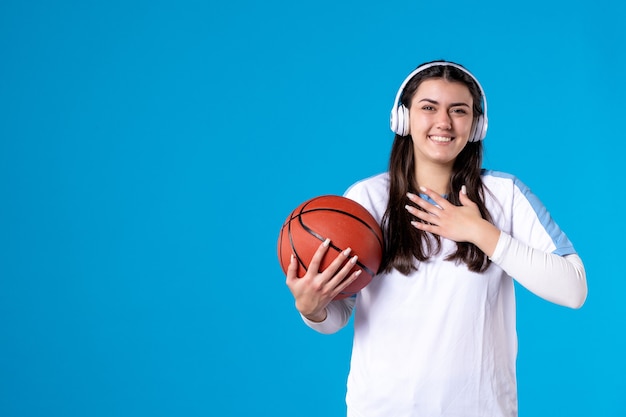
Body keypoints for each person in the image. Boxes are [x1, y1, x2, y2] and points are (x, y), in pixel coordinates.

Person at [285, 60, 587, 417]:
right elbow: (340, 314)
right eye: (428, 107)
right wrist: (312, 309)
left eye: (458, 111)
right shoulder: (365, 200)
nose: (443, 122)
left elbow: (573, 290)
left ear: (476, 125)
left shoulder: (504, 195)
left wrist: (480, 232)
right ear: (403, 118)